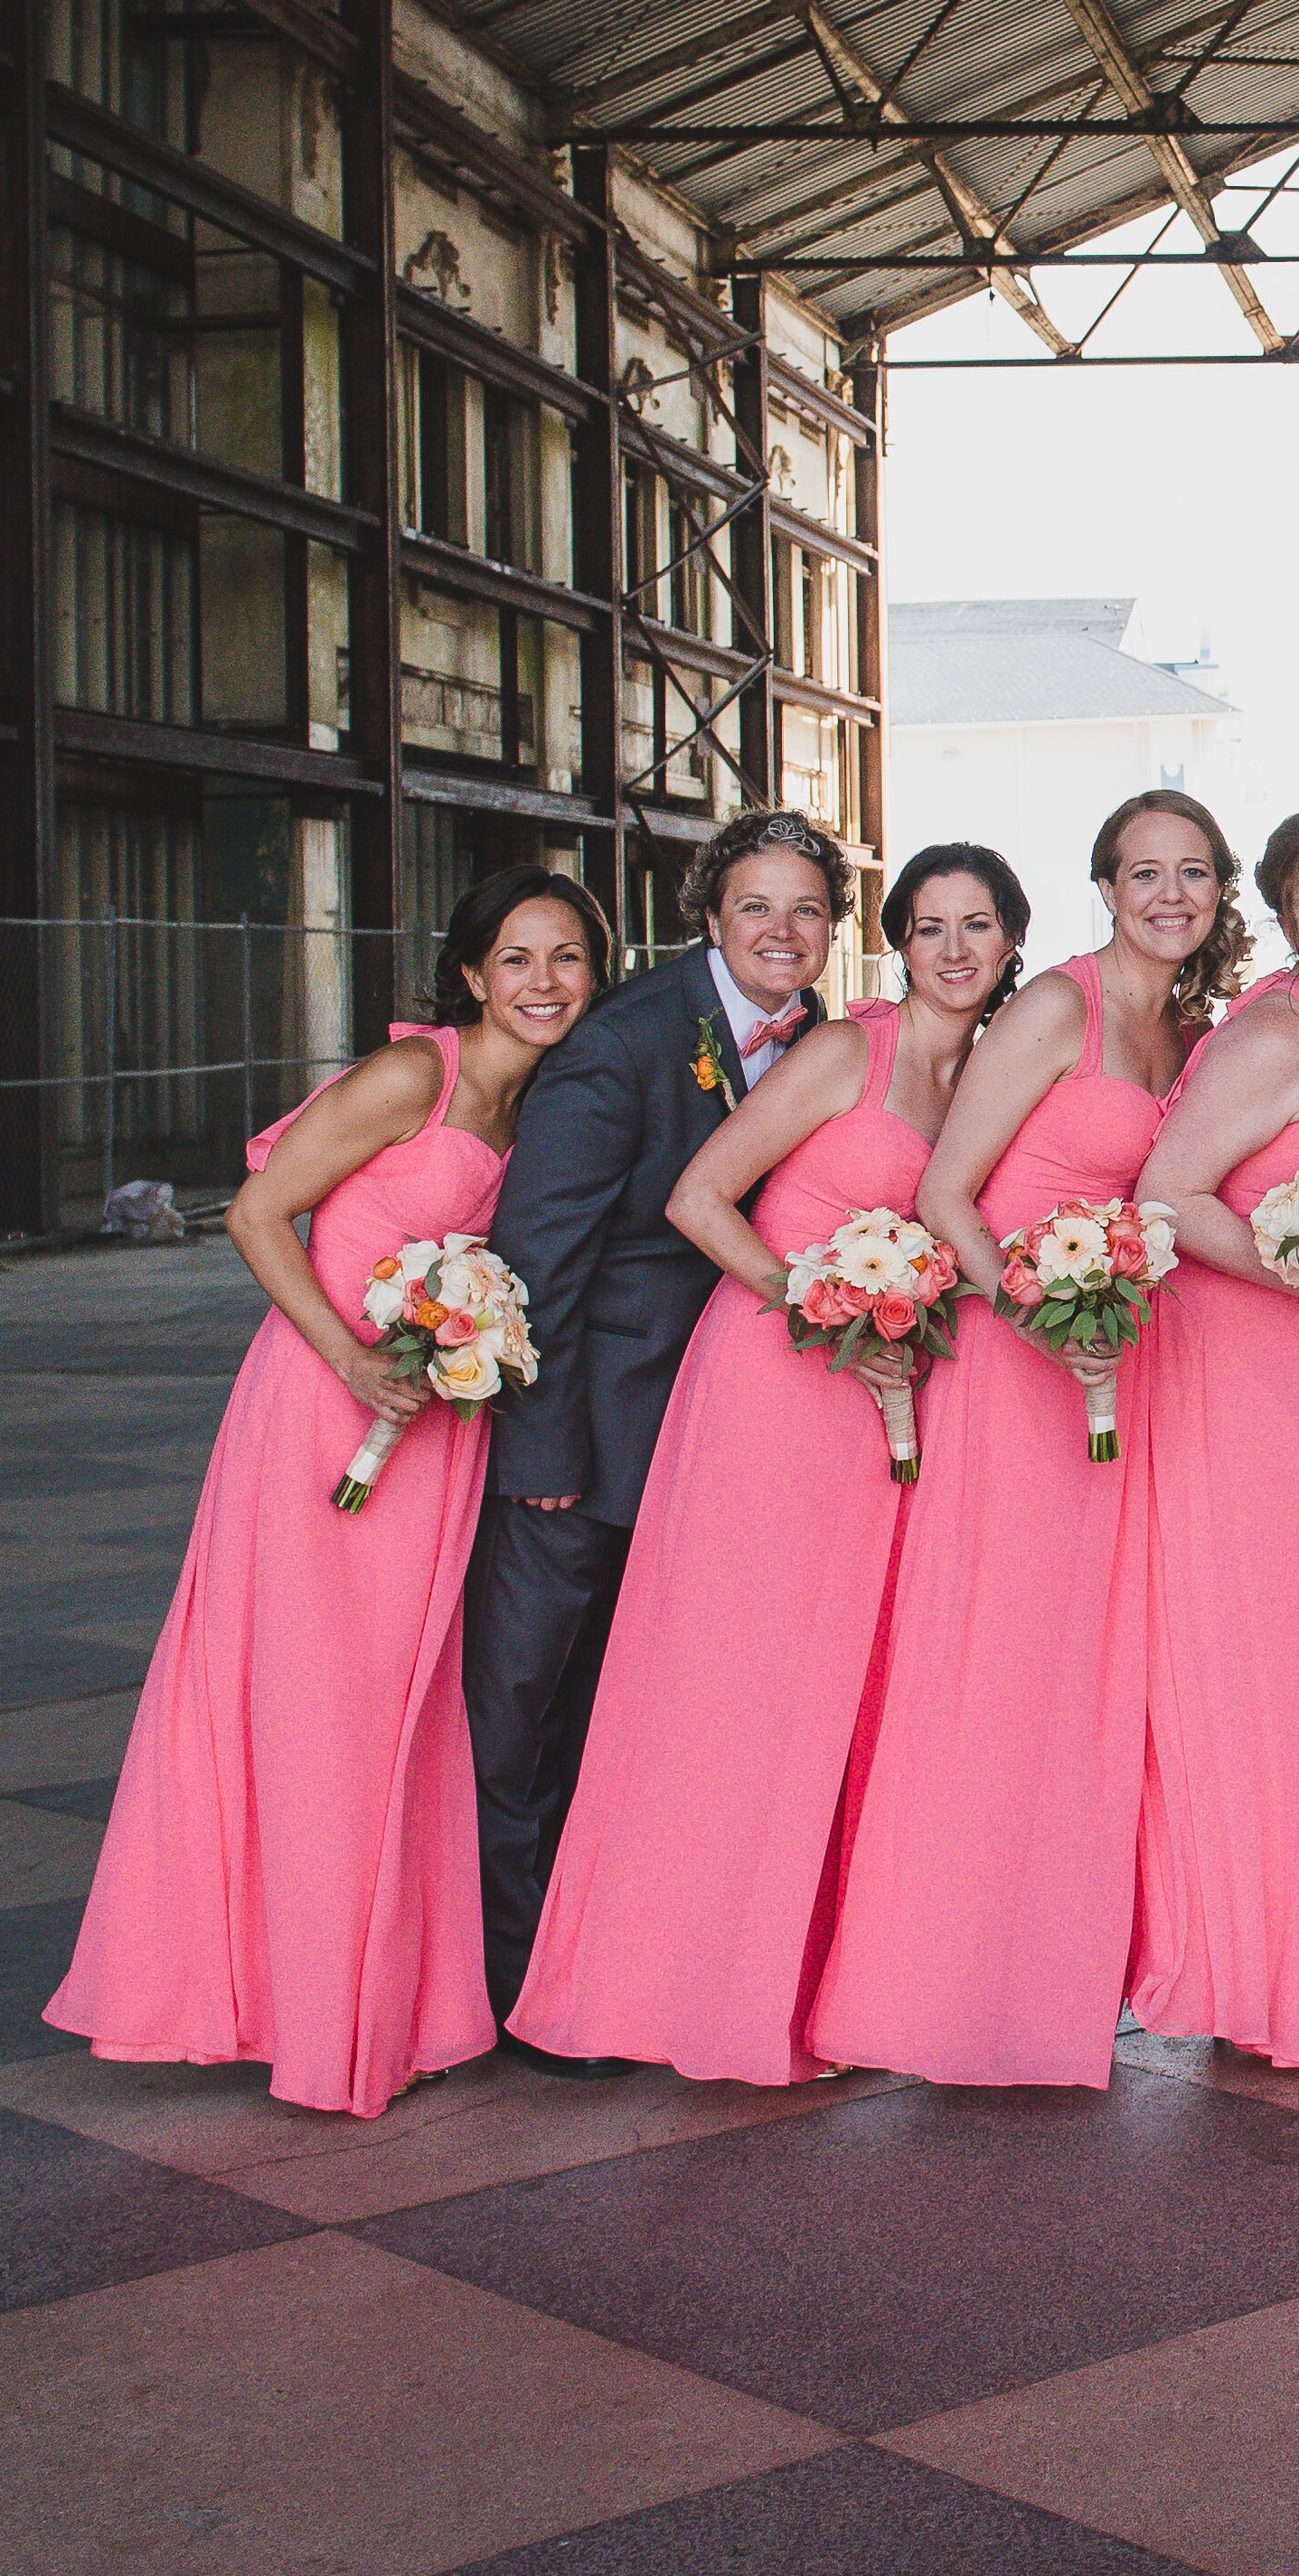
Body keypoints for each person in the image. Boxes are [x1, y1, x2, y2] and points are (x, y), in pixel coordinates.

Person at [48, 867, 607, 2117]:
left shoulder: (548, 1105)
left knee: (400, 1710)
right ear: (470, 975)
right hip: (323, 1410)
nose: (543, 983)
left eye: (568, 958)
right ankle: (306, 2018)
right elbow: (257, 1213)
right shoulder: (418, 1078)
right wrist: (351, 1356)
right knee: (316, 1707)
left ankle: (387, 1998)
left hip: (437, 1425)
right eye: (516, 959)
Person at [509, 846, 1019, 2082]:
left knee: (826, 1701)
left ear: (1012, 944)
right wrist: (822, 1304)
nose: (955, 950)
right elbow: (698, 1198)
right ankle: (647, 1993)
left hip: (879, 1416)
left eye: (981, 927)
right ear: (895, 942)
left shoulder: (998, 1073)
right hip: (775, 1394)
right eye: (932, 926)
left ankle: (786, 1989)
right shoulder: (851, 1052)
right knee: (727, 1696)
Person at [812, 795, 1243, 2088]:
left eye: (1195, 873)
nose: (1170, 893)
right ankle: (936, 1997)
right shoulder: (1058, 1006)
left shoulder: (1190, 1031)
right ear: (1104, 886)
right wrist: (1037, 1319)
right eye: (1144, 872)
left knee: (1090, 1684)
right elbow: (947, 1192)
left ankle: (1050, 1985)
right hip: (1019, 1377)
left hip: (1118, 1371)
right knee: (993, 1670)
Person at [465, 810, 842, 2071]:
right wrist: (543, 1467)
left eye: (806, 910)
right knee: (521, 1724)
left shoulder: (814, 1040)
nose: (782, 932)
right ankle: (517, 1999)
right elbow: (536, 1270)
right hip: (583, 1457)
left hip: (709, 1454)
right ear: (708, 917)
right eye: (756, 908)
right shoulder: (621, 1044)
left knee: (631, 1729)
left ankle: (610, 1971)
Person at [1121, 811, 1299, 2068]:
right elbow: (1164, 1195)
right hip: (1239, 1373)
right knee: (1251, 1670)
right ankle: (1248, 1975)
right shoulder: (1278, 1029)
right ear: (1284, 920)